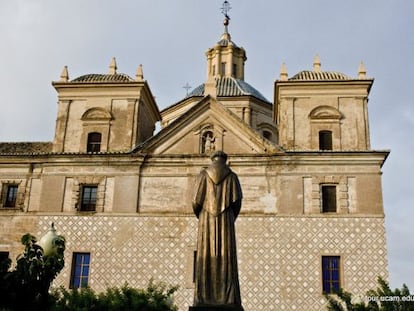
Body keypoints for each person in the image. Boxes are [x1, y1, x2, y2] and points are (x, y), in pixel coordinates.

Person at [192, 151, 243, 308]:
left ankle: (204, 296)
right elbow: (237, 202)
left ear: (212, 160)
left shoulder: (203, 175)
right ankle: (227, 296)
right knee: (226, 255)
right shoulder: (232, 176)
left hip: (206, 220)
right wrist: (229, 216)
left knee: (205, 254)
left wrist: (202, 214)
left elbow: (195, 201)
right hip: (226, 220)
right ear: (225, 160)